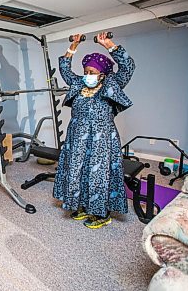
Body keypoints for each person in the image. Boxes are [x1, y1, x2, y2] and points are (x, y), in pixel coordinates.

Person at [53, 32, 135, 229]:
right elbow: (64, 68)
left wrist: (109, 44)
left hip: (101, 138)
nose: (88, 75)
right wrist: (73, 45)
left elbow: (128, 67)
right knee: (77, 170)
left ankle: (101, 213)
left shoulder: (111, 84)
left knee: (98, 174)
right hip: (77, 136)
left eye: (92, 72)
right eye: (86, 71)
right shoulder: (78, 84)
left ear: (102, 74)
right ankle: (80, 204)